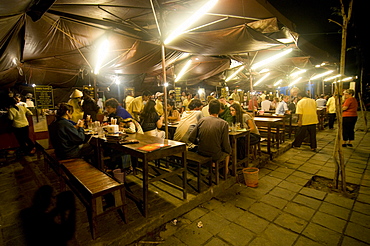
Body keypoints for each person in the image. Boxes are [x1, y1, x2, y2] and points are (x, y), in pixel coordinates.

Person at [188, 99, 231, 172]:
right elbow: (225, 144)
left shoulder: (202, 120)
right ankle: (225, 170)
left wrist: (199, 143)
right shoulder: (223, 123)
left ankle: (212, 166)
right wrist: (229, 151)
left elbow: (191, 138)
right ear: (220, 110)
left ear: (208, 110)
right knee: (228, 152)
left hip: (201, 151)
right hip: (215, 154)